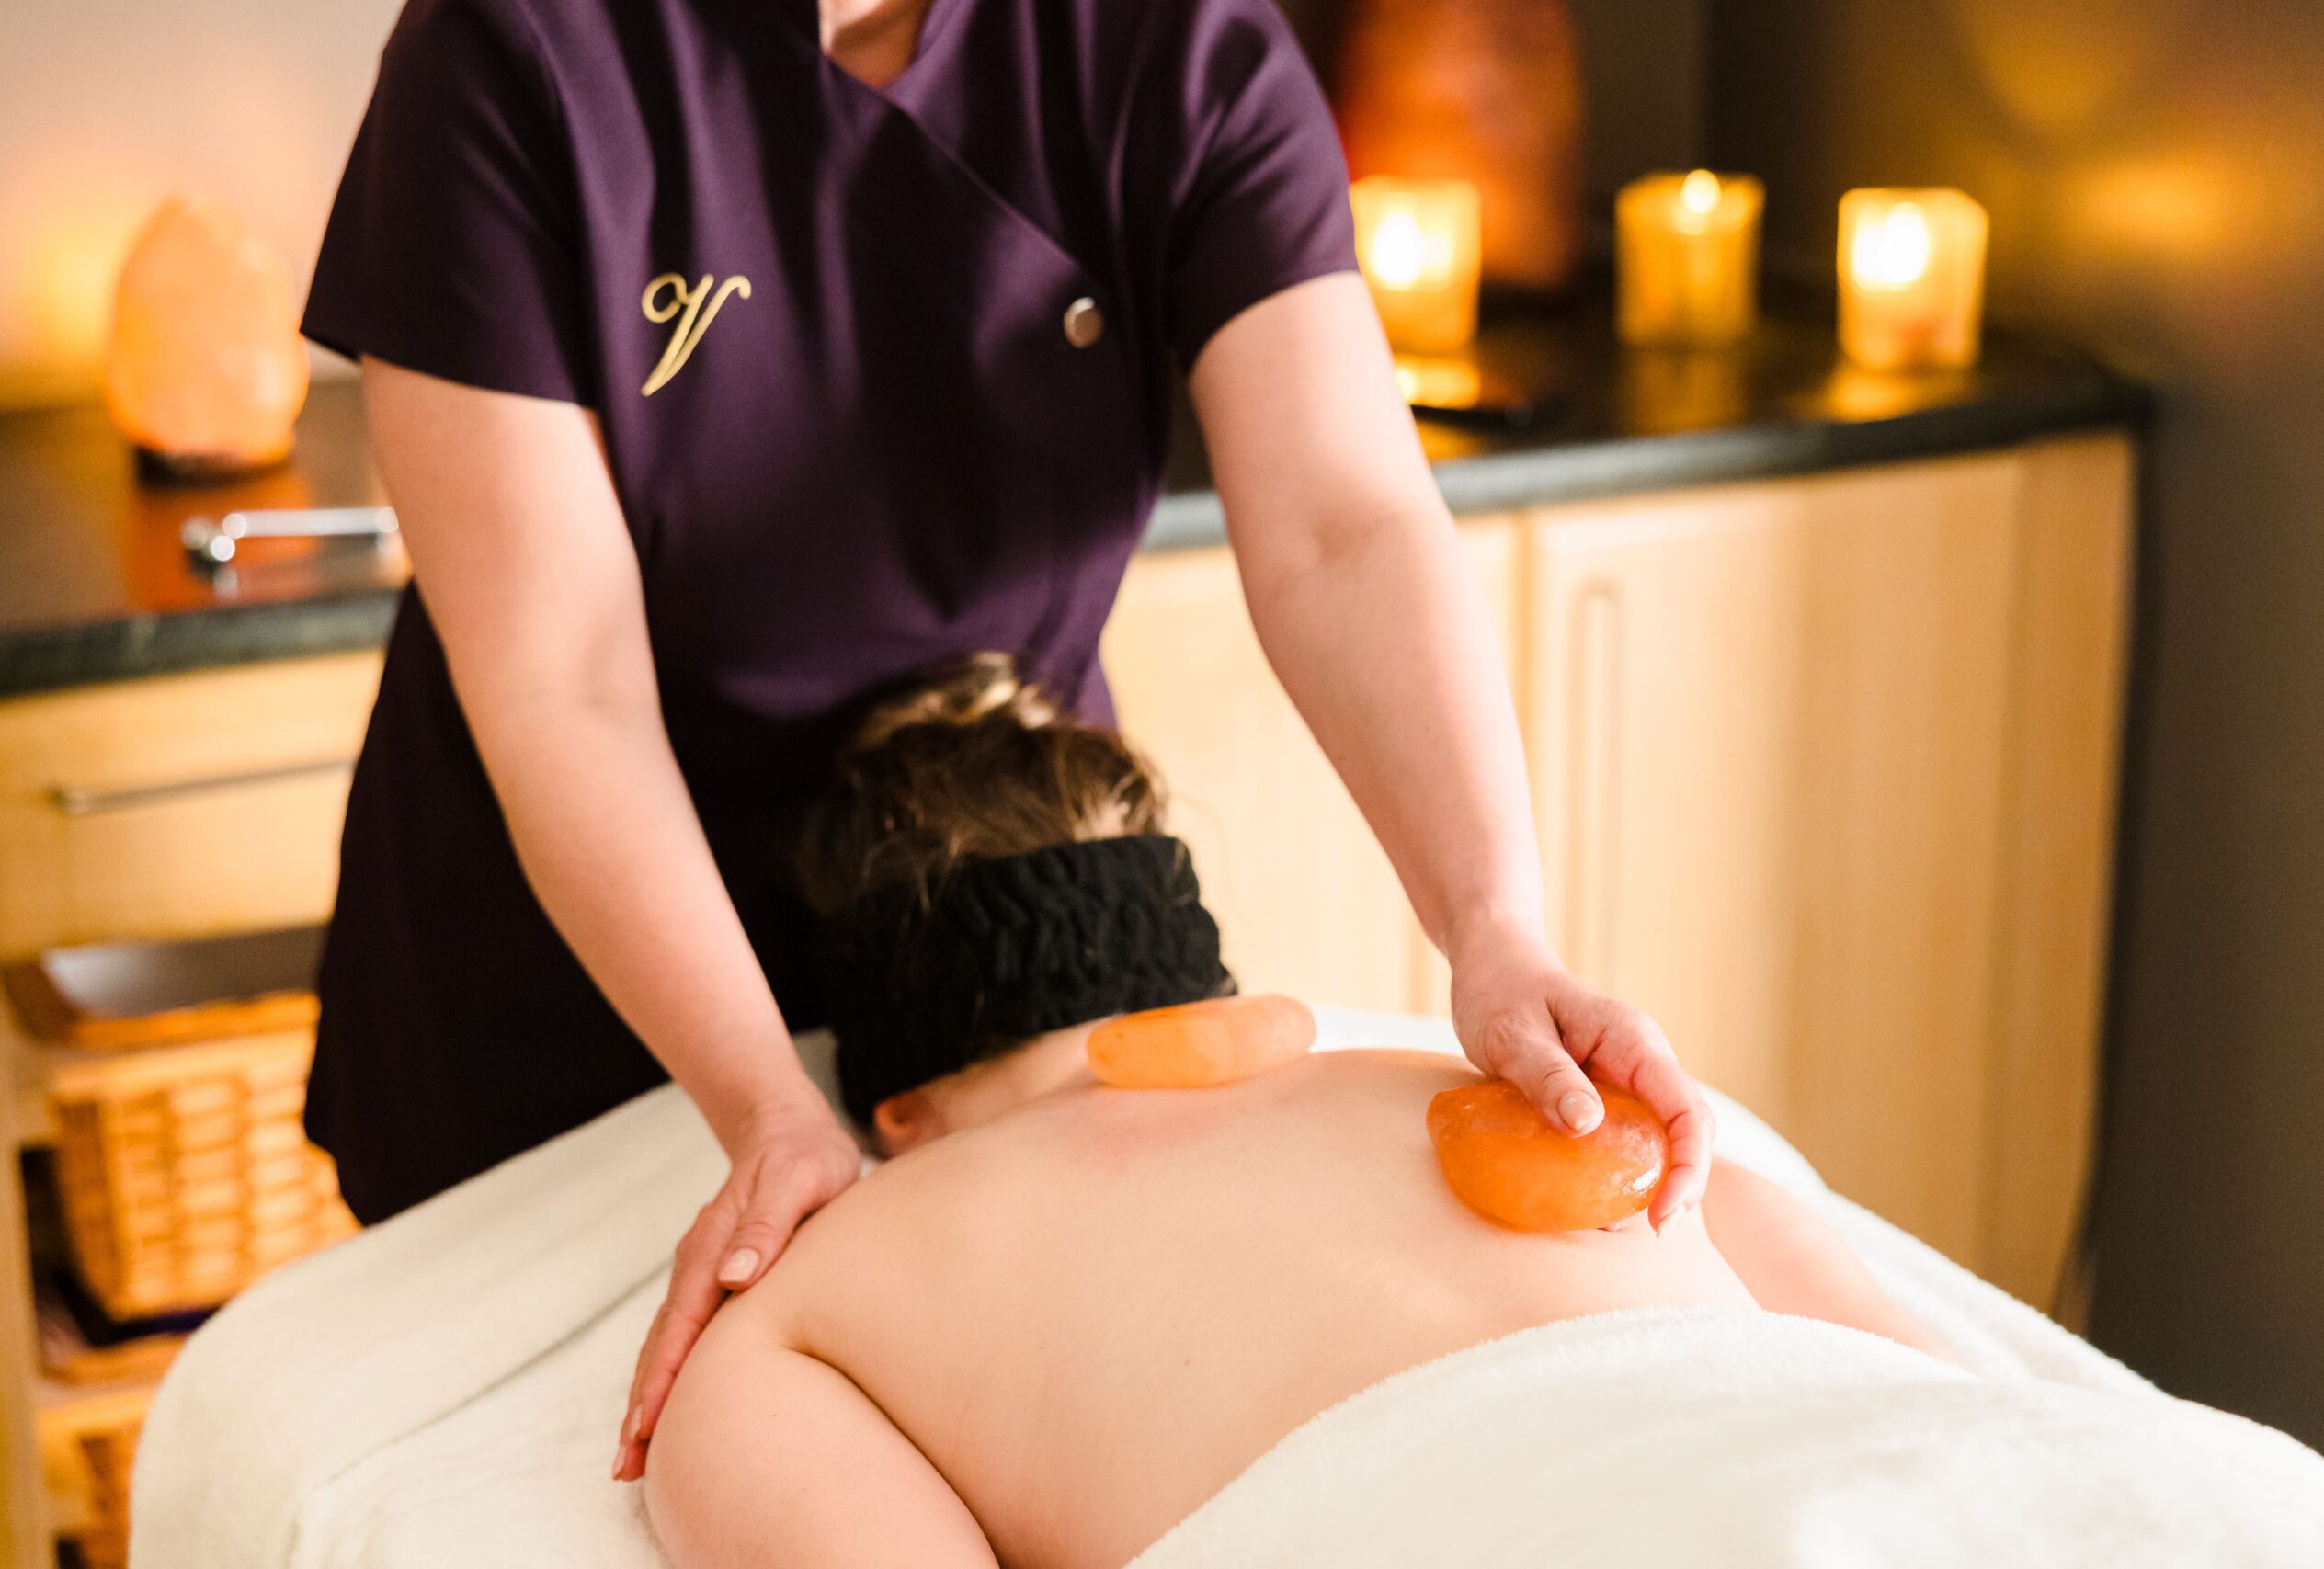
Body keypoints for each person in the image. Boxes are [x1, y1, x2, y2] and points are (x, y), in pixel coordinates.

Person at [301, 0, 1712, 1482]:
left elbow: (1345, 527)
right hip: (594, 972)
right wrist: (767, 1113)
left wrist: (1495, 928)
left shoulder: (1172, 43)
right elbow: (564, 678)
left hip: (995, 921)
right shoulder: (515, 51)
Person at [640, 660, 1946, 1564]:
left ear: (896, 1108)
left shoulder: (817, 1301)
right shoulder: (1515, 1094)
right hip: (1846, 1482)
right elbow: (1942, 1412)